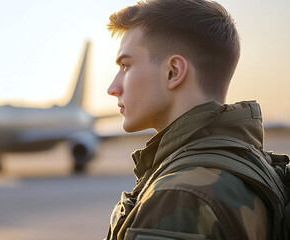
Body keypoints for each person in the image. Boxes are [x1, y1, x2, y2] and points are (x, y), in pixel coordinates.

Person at [105, 0, 273, 239]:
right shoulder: (249, 163)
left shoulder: (179, 196)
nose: (113, 88)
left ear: (173, 72)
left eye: (126, 65)